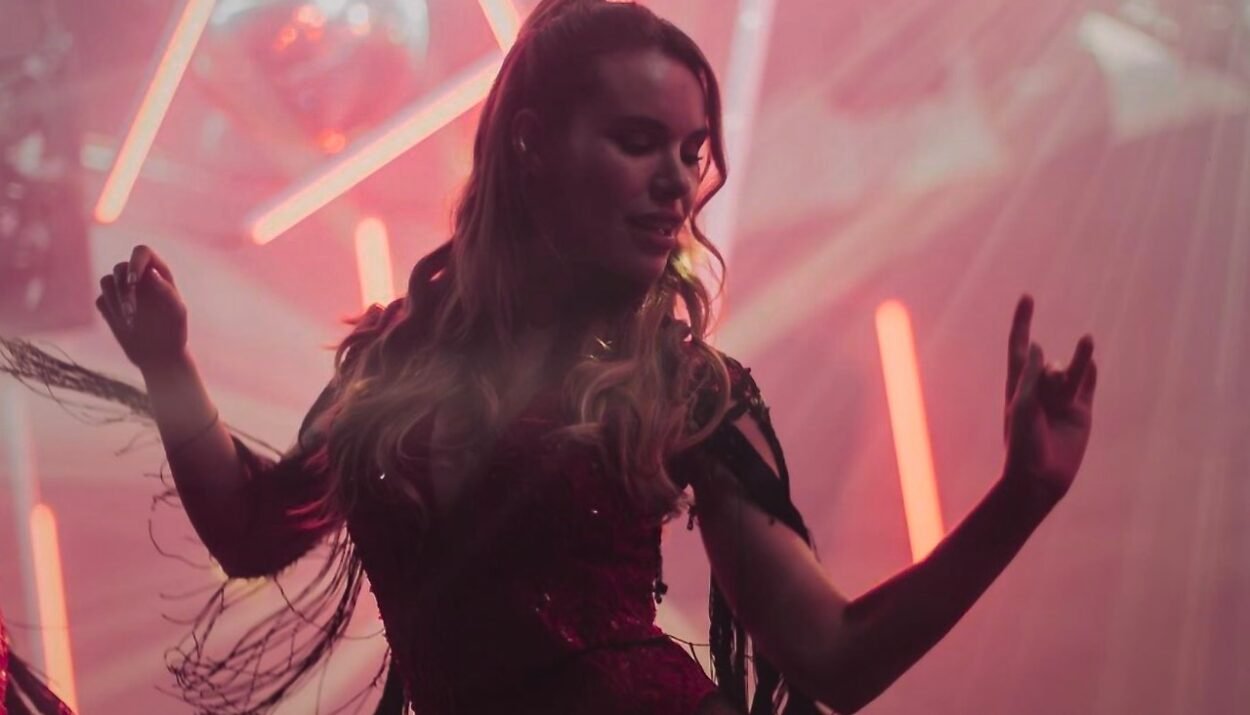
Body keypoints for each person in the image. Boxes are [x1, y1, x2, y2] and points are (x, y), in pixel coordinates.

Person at [6, 0, 1098, 713]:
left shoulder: (682, 384)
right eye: (638, 142)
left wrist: (1022, 496)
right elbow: (252, 530)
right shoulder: (394, 360)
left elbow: (833, 655)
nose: (677, 182)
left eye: (691, 153)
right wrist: (168, 364)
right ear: (530, 143)